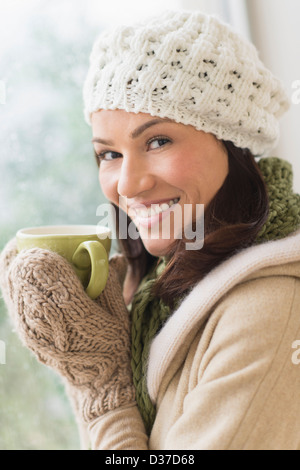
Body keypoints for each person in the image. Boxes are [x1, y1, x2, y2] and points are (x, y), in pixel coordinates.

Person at [1, 9, 300, 451]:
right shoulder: (158, 290)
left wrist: (101, 385)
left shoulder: (269, 310)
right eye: (109, 154)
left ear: (234, 142)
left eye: (157, 142)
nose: (126, 184)